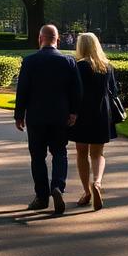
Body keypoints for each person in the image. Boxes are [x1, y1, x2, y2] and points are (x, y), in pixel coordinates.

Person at [14, 24, 83, 214]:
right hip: (60, 115)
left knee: (38, 157)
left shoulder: (29, 61)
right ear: (57, 40)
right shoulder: (68, 62)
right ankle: (58, 187)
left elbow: (23, 91)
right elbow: (77, 90)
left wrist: (19, 115)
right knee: (59, 153)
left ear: (40, 38)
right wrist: (74, 112)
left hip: (36, 116)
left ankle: (41, 197)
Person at [68, 32, 118, 211]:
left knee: (81, 153)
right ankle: (97, 183)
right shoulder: (107, 66)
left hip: (82, 113)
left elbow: (72, 91)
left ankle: (86, 192)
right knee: (98, 154)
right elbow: (113, 91)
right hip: (102, 113)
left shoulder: (78, 66)